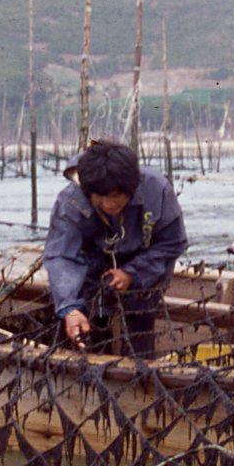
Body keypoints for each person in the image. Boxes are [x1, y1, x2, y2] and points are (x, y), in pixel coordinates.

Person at [45, 140, 188, 360]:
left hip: (144, 267)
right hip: (92, 266)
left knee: (139, 326)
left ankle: (141, 372)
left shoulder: (156, 190)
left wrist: (133, 273)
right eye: (101, 198)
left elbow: (173, 242)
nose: (109, 205)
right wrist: (70, 307)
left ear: (131, 188)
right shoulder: (71, 201)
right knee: (90, 325)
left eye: (116, 197)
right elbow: (61, 255)